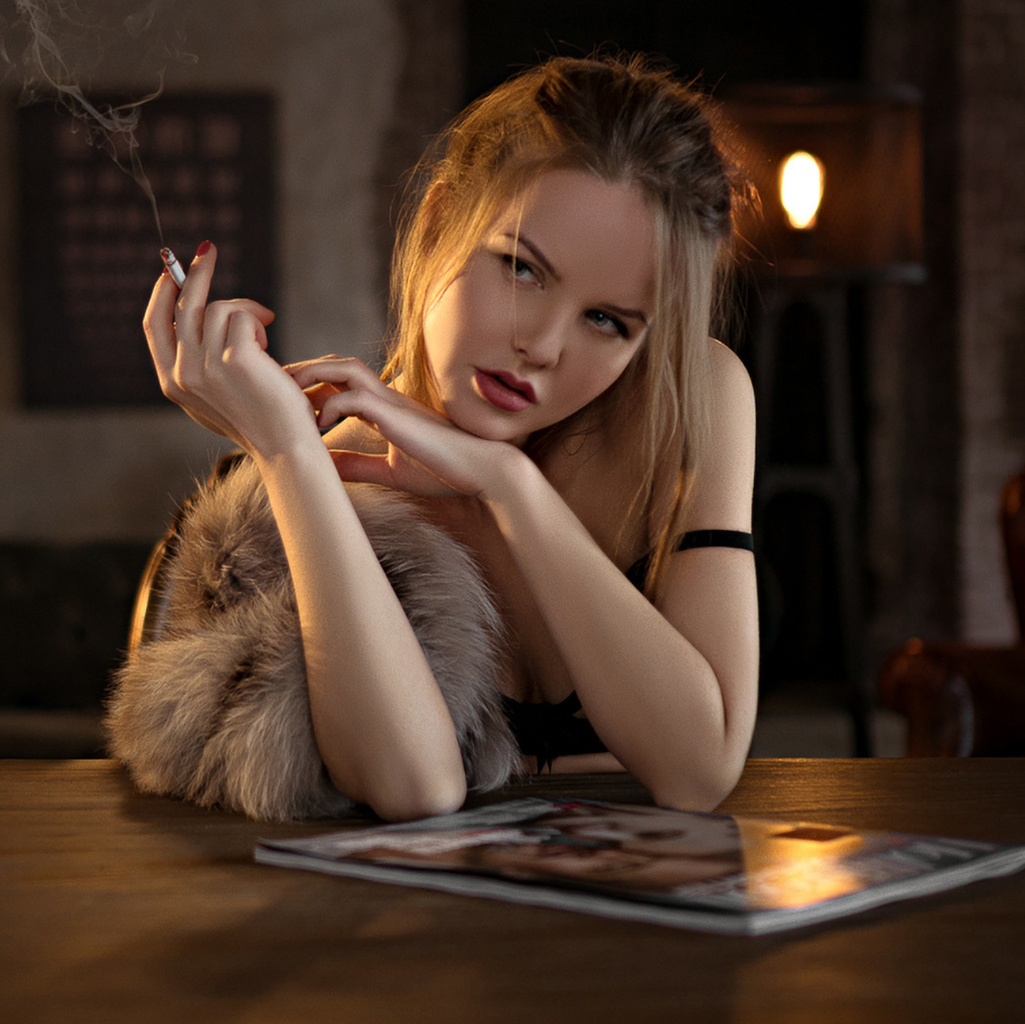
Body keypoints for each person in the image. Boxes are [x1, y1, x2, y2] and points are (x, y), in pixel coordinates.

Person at [108, 53, 759, 823]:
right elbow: (415, 786)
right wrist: (289, 455)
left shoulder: (688, 400)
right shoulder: (331, 479)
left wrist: (508, 486)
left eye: (606, 320)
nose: (545, 345)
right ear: (440, 220)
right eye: (521, 268)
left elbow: (698, 771)